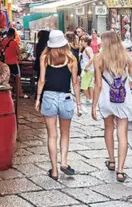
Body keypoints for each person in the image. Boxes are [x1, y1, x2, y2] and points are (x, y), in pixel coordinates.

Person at [34, 30, 82, 180]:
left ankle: (54, 170)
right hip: (66, 98)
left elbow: (41, 80)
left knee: (51, 135)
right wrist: (79, 104)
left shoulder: (44, 58)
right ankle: (64, 163)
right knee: (65, 134)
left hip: (48, 97)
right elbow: (75, 83)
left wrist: (37, 99)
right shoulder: (71, 59)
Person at [91, 31, 132, 183]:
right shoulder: (126, 58)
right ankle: (120, 170)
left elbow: (97, 84)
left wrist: (93, 106)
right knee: (122, 133)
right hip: (123, 99)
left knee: (108, 129)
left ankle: (111, 160)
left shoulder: (98, 59)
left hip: (106, 98)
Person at [2, 28, 27, 98]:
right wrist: (21, 56)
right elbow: (18, 53)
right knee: (17, 78)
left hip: (6, 63)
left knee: (7, 78)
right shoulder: (14, 43)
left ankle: (7, 92)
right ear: (13, 35)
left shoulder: (4, 42)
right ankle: (19, 93)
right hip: (14, 63)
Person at [34, 30, 51, 99]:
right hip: (46, 64)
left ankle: (38, 95)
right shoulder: (48, 45)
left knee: (40, 78)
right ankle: (43, 95)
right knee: (45, 79)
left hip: (39, 64)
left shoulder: (38, 44)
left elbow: (36, 54)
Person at [79, 35, 95, 104]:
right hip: (90, 69)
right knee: (90, 85)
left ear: (86, 42)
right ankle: (91, 99)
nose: (81, 42)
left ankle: (89, 99)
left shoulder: (87, 49)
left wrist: (86, 67)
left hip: (87, 70)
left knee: (84, 85)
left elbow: (92, 58)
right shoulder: (88, 48)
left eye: (82, 41)